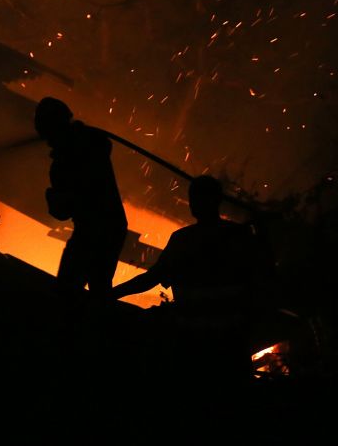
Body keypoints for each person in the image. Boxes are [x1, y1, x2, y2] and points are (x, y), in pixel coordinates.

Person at [112, 175, 274, 387]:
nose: (193, 203)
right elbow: (262, 279)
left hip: (194, 340)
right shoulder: (239, 236)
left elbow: (151, 278)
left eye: (196, 197)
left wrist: (112, 294)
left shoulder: (183, 239)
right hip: (232, 340)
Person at [35, 97, 129, 298]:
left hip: (95, 231)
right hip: (111, 227)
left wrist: (51, 197)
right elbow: (104, 144)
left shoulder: (69, 160)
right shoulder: (90, 144)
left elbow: (62, 212)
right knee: (99, 286)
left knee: (68, 289)